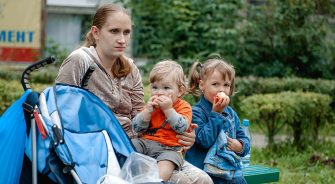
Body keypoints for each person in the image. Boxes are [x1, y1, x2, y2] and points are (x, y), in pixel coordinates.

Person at [55, 4, 212, 184]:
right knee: (182, 182)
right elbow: (61, 113)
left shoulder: (130, 68)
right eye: (114, 31)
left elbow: (141, 116)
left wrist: (183, 133)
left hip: (140, 145)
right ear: (96, 32)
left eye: (126, 32)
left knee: (203, 180)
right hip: (100, 151)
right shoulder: (80, 60)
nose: (122, 39)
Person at [185, 58, 251, 184]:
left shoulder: (231, 113)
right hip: (207, 174)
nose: (221, 89)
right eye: (215, 84)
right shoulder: (195, 112)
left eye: (226, 85)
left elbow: (244, 138)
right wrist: (216, 113)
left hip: (230, 172)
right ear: (202, 85)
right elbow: (204, 140)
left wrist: (240, 146)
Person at [132, 60, 192, 181]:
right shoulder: (150, 106)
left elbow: (181, 128)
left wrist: (168, 110)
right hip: (146, 143)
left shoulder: (183, 107)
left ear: (180, 91)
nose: (159, 92)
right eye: (155, 87)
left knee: (166, 164)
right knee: (130, 145)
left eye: (166, 88)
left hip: (169, 149)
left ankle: (156, 181)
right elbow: (136, 129)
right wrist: (147, 112)